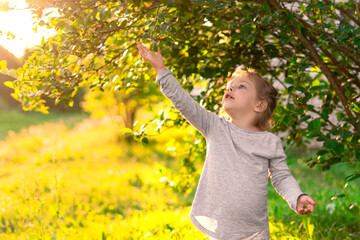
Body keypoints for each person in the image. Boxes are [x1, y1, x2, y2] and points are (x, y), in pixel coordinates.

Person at [136, 41, 317, 240]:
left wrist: (297, 197)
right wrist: (161, 69)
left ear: (259, 105)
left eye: (241, 87)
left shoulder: (270, 142)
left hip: (256, 232)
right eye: (229, 86)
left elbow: (282, 177)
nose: (230, 89)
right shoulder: (215, 127)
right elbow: (184, 103)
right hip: (221, 231)